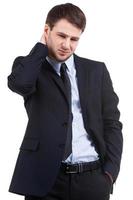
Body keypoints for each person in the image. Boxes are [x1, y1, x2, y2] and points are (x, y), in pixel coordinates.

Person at [8, 3, 123, 200]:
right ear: (47, 30)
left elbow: (112, 123)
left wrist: (110, 173)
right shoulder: (30, 66)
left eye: (74, 39)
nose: (67, 45)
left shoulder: (96, 71)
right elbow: (20, 85)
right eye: (62, 36)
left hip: (92, 179)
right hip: (44, 181)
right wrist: (41, 46)